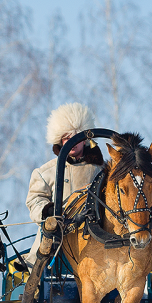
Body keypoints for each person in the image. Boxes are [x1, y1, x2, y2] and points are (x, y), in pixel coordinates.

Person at [26, 103, 105, 258]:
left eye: (76, 137)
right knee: (38, 260)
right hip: (56, 236)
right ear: (60, 140)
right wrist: (48, 211)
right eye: (67, 138)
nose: (71, 142)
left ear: (84, 140)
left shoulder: (100, 171)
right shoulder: (46, 172)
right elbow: (35, 200)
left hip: (93, 234)